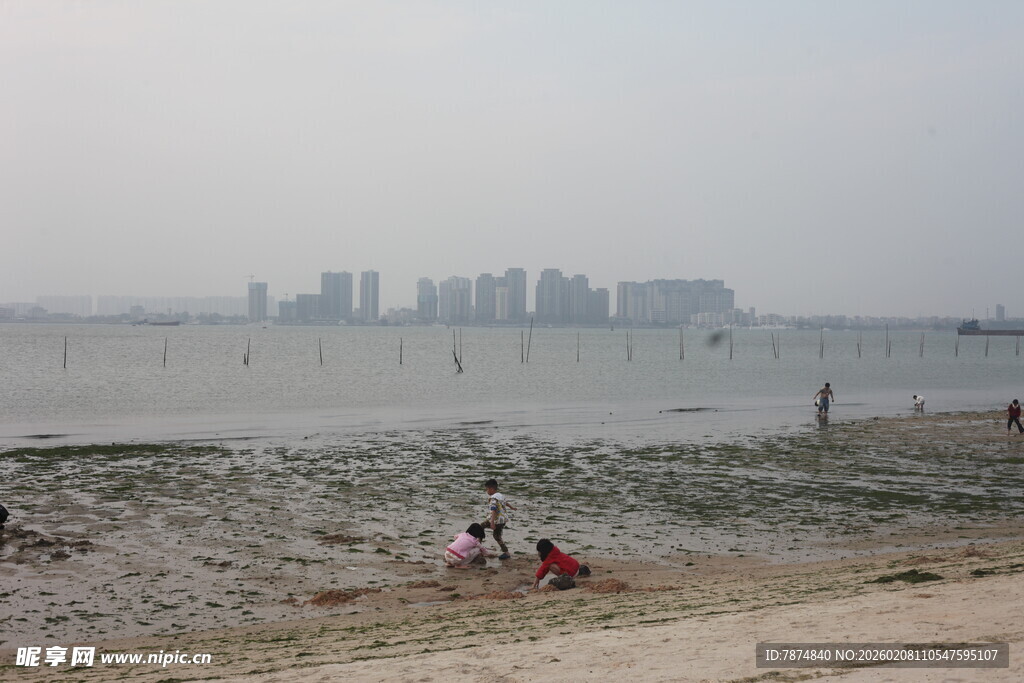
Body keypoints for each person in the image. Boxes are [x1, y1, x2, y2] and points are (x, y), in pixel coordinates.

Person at [481, 479, 515, 559]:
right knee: (497, 536)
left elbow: (493, 509)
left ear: (491, 489)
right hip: (502, 521)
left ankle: (478, 547)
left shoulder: (493, 498)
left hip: (496, 520)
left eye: (487, 489)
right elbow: (505, 502)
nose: (487, 491)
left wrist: (492, 522)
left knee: (480, 527)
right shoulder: (500, 495)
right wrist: (511, 507)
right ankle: (506, 553)